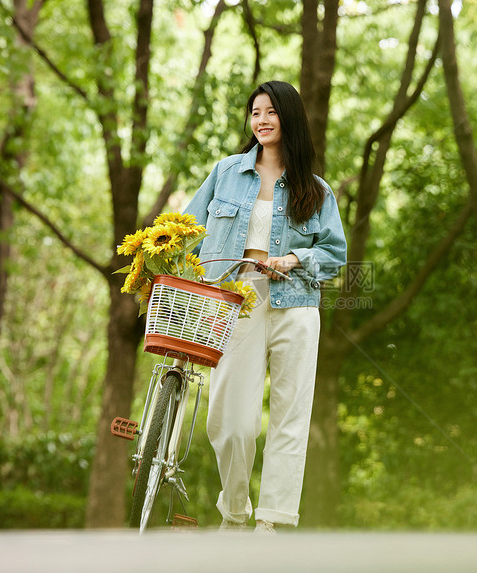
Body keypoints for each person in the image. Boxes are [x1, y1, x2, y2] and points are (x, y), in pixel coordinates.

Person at [183, 80, 347, 533]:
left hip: (296, 305)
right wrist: (164, 261)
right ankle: (235, 510)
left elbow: (335, 254)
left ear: (288, 118)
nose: (262, 120)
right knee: (231, 420)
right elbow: (184, 227)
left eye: (271, 112)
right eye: (255, 112)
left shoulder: (315, 189)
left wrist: (295, 258)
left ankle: (273, 521)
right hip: (236, 301)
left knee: (290, 416)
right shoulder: (226, 173)